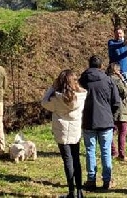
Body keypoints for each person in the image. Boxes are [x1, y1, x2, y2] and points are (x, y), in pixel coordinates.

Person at [41, 69, 88, 198]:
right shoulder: (81, 96)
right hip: (75, 130)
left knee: (67, 160)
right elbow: (80, 91)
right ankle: (80, 191)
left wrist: (52, 88)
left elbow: (44, 102)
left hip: (61, 130)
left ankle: (71, 192)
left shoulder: (56, 98)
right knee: (76, 159)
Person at [79, 55, 121, 190]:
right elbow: (116, 102)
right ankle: (107, 180)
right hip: (105, 120)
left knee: (90, 150)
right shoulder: (108, 80)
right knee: (105, 150)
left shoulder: (82, 80)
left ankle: (91, 180)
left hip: (88, 120)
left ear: (89, 64)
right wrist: (111, 117)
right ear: (101, 66)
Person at [107, 63, 127, 161]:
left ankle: (113, 151)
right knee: (123, 131)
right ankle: (121, 154)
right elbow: (124, 93)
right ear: (117, 70)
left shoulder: (106, 79)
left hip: (108, 108)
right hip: (120, 109)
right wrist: (126, 83)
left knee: (110, 131)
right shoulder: (117, 80)